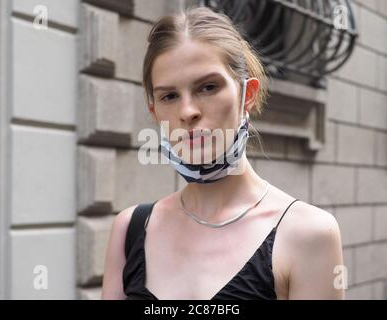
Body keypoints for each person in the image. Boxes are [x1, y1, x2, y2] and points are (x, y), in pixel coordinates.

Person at [101, 6, 344, 300]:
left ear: (248, 94)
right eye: (169, 96)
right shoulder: (129, 230)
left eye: (208, 87)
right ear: (154, 110)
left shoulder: (308, 234)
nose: (188, 112)